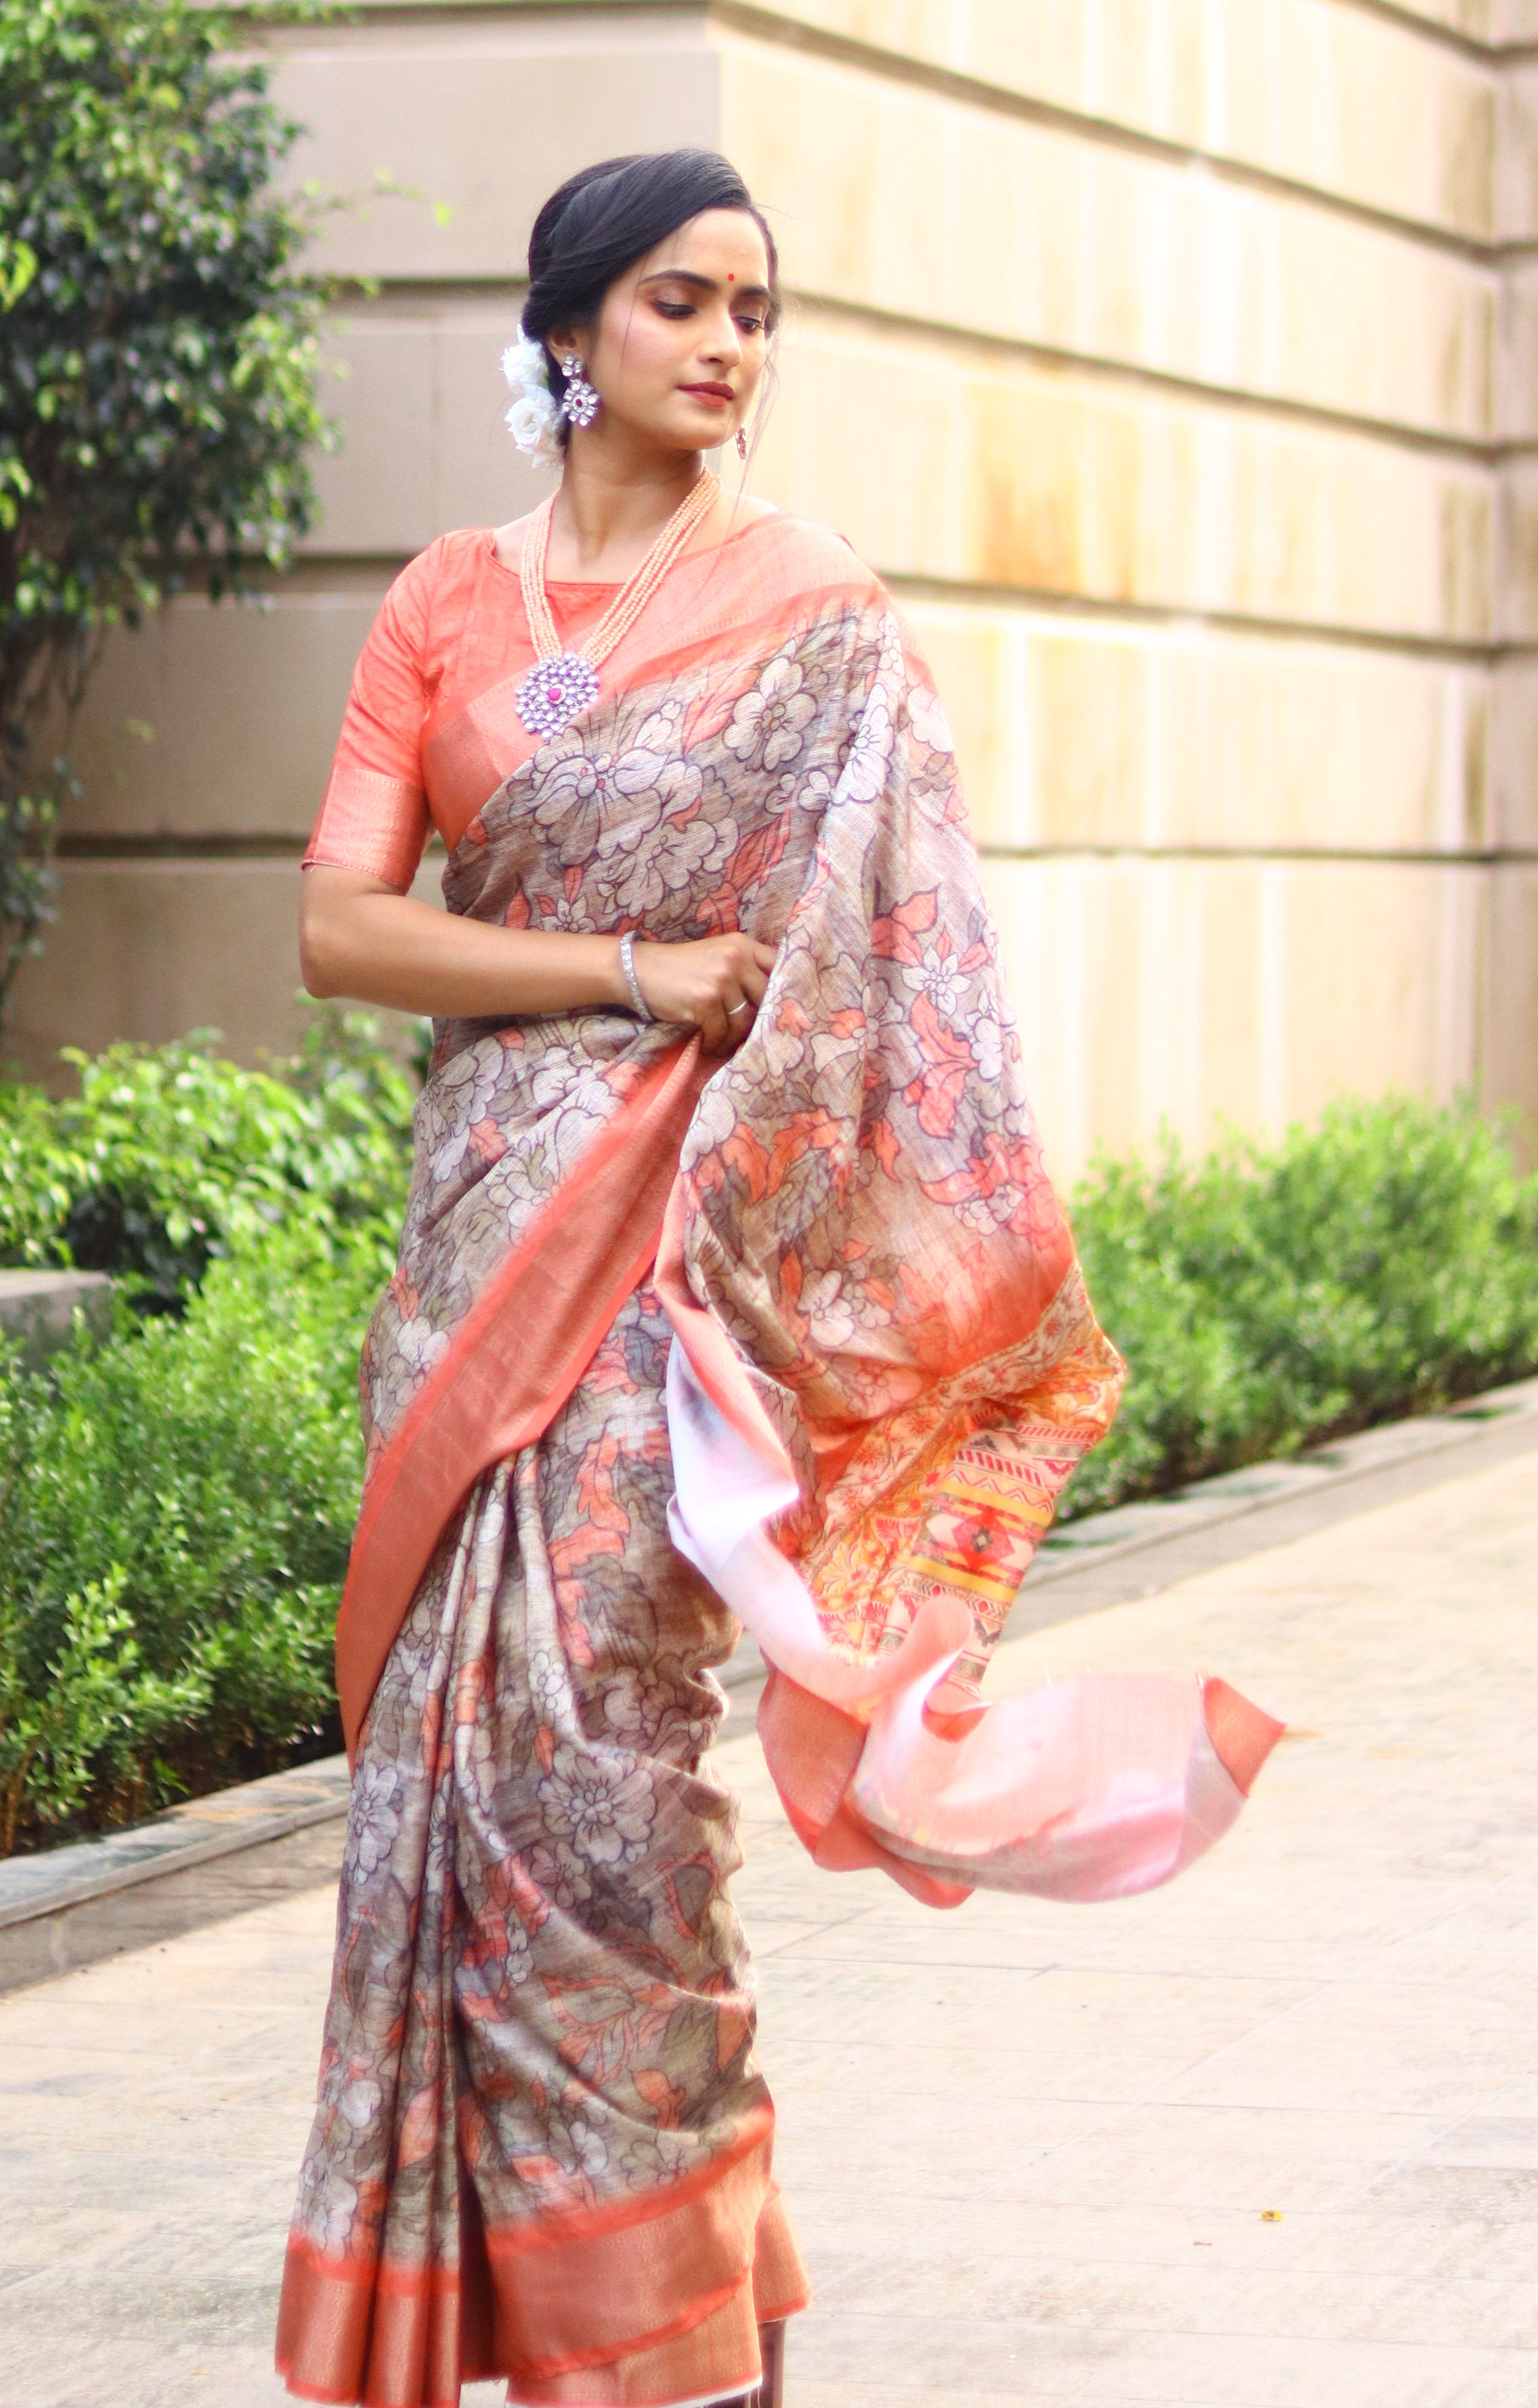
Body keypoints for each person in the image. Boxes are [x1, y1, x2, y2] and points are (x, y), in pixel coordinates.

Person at [278, 148, 1278, 2408]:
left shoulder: (816, 609)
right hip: (472, 1264)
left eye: (756, 311)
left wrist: (729, 1060)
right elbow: (342, 926)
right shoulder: (444, 602)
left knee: (605, 1794)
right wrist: (628, 967)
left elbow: (897, 946)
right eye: (679, 302)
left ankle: (683, 2339)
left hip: (672, 1279)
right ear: (568, 336)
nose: (728, 346)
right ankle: (537, 2323)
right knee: (443, 1788)